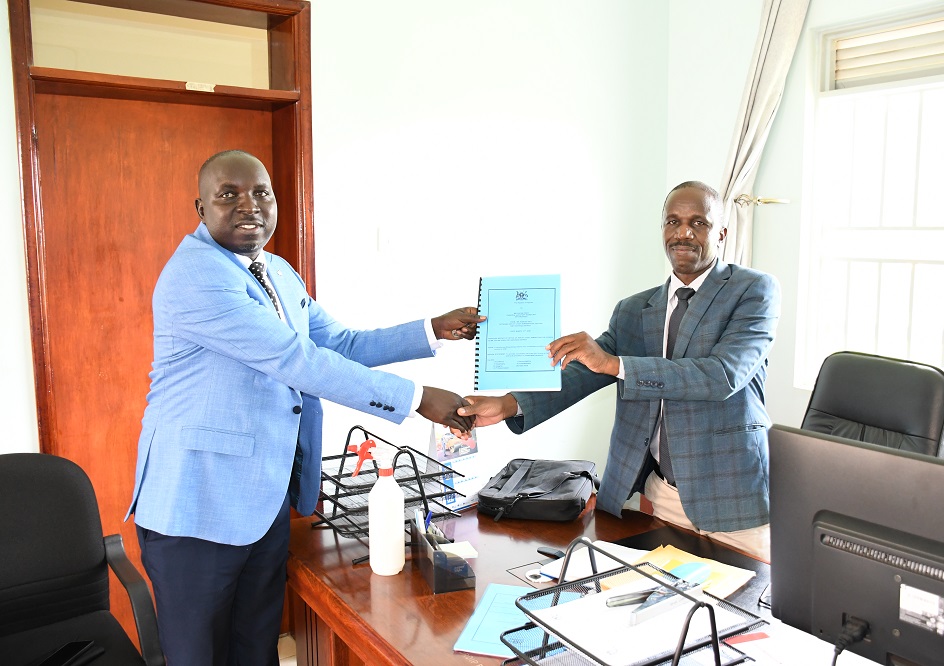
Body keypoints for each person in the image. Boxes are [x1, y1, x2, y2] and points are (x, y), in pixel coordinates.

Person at [125, 149, 483, 666]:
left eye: (261, 193)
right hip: (197, 504)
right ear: (200, 208)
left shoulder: (276, 271)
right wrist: (418, 398)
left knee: (257, 648)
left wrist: (431, 330)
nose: (249, 205)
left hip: (262, 497)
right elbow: (296, 360)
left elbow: (340, 344)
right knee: (199, 656)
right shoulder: (195, 275)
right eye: (229, 194)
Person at [456, 181, 780, 561]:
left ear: (721, 233)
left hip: (732, 495)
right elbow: (585, 372)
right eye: (673, 222)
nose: (683, 233)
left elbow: (721, 375)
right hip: (663, 495)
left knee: (743, 598)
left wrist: (614, 363)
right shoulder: (633, 309)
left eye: (699, 223)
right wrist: (508, 404)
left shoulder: (753, 291)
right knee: (657, 596)